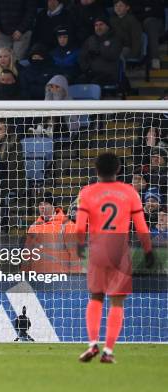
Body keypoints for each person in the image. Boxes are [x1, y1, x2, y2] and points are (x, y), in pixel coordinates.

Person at [76, 153, 155, 363]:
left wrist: (79, 244)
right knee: (117, 302)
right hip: (119, 249)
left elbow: (79, 224)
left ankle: (92, 344)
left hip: (98, 248)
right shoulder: (129, 192)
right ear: (118, 170)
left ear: (96, 169)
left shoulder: (88, 192)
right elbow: (141, 226)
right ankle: (108, 351)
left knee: (95, 297)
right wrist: (148, 250)